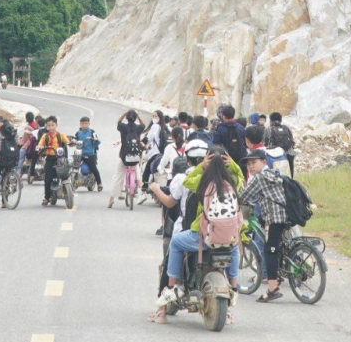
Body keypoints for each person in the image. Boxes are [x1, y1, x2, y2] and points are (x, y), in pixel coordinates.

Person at [151, 147, 244, 324]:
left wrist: (201, 166)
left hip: (204, 238)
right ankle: (234, 286)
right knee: (234, 247)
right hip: (228, 237)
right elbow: (242, 178)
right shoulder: (233, 182)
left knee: (176, 242)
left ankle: (171, 287)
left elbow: (187, 182)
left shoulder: (202, 182)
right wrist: (232, 164)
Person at [240, 148, 290, 301]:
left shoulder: (259, 177)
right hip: (287, 214)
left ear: (263, 162)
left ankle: (272, 289)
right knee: (277, 246)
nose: (250, 167)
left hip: (276, 217)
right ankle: (280, 271)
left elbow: (244, 195)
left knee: (270, 250)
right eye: (248, 164)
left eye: (254, 162)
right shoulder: (273, 173)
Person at [110, 109, 144, 208]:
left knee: (118, 175)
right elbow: (143, 124)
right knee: (136, 165)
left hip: (124, 155)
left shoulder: (123, 127)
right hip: (135, 156)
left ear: (127, 118)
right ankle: (138, 180)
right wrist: (138, 116)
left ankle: (112, 198)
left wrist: (123, 114)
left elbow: (118, 122)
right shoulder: (138, 128)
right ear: (135, 118)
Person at [37, 116, 71, 206]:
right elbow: (40, 145)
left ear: (56, 125)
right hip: (50, 159)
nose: (51, 127)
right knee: (47, 179)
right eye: (49, 125)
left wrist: (71, 143)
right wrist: (40, 147)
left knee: (65, 176)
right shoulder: (45, 136)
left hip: (60, 159)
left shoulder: (61, 135)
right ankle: (47, 197)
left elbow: (67, 142)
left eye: (53, 125)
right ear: (46, 126)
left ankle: (68, 192)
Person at [73, 116, 102, 191]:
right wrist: (72, 141)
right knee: (73, 166)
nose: (84, 125)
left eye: (86, 123)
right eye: (82, 123)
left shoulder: (92, 132)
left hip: (90, 154)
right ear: (80, 124)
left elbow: (97, 142)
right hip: (79, 154)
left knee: (94, 168)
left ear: (89, 123)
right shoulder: (78, 133)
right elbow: (74, 141)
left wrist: (95, 140)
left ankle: (99, 183)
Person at [269, 112, 296, 176]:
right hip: (289, 153)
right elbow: (291, 140)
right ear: (280, 120)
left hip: (276, 155)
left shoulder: (270, 129)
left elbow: (266, 143)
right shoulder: (286, 128)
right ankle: (291, 179)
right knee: (290, 169)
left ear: (271, 121)